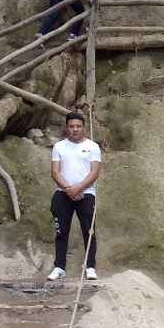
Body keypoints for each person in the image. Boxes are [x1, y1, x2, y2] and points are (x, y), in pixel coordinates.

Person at [48, 110, 102, 282]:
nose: (75, 129)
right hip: (62, 195)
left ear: (83, 127)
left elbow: (95, 173)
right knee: (61, 231)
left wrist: (78, 188)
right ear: (67, 127)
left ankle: (90, 267)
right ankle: (59, 267)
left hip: (86, 195)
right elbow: (55, 172)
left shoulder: (93, 147)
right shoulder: (59, 147)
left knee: (89, 231)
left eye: (78, 126)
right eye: (71, 126)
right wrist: (69, 189)